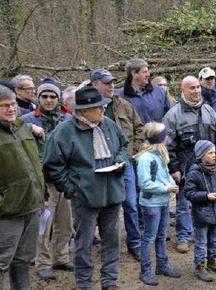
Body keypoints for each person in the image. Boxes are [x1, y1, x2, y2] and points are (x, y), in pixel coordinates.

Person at [43, 86, 129, 290]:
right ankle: (84, 284)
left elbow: (125, 146)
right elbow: (52, 165)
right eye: (98, 108)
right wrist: (72, 188)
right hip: (85, 197)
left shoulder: (109, 125)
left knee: (112, 242)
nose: (102, 110)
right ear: (82, 110)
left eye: (102, 107)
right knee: (83, 245)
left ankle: (109, 282)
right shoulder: (63, 133)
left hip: (112, 193)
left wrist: (120, 161)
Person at [163, 76, 216, 254]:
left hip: (210, 168)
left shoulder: (209, 111)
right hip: (185, 168)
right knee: (183, 203)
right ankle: (183, 236)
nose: (197, 91)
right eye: (192, 88)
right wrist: (173, 169)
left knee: (208, 199)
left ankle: (207, 235)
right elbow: (168, 146)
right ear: (182, 91)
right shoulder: (173, 115)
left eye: (198, 87)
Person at [21, 78, 74, 281]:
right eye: (45, 96)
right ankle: (42, 263)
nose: (49, 100)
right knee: (43, 225)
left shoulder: (67, 118)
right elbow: (10, 128)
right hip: (42, 180)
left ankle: (61, 257)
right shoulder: (27, 119)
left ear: (58, 98)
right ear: (38, 97)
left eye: (53, 96)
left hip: (64, 177)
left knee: (65, 223)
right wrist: (29, 129)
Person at [90, 67, 146, 261]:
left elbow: (139, 128)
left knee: (130, 204)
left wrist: (134, 151)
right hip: (99, 167)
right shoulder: (87, 108)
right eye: (107, 83)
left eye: (113, 82)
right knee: (102, 207)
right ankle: (104, 245)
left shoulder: (124, 105)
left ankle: (134, 243)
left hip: (125, 164)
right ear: (94, 85)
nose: (112, 86)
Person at [0, 84, 46, 290]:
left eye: (12, 105)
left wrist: (42, 196)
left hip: (31, 207)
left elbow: (34, 166)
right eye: (4, 106)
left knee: (23, 261)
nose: (11, 109)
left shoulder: (20, 128)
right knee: (2, 263)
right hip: (7, 214)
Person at [133, 122, 181, 286]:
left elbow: (165, 174)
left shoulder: (160, 154)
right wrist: (165, 187)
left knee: (162, 235)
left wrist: (171, 183)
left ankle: (162, 265)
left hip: (163, 201)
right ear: (159, 138)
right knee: (149, 237)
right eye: (164, 135)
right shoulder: (145, 158)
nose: (167, 137)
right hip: (151, 204)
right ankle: (145, 270)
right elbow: (144, 184)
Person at [184, 140, 216, 282]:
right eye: (210, 153)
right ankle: (200, 266)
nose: (214, 155)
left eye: (214, 152)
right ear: (201, 155)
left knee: (214, 239)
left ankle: (213, 261)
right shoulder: (194, 173)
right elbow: (189, 193)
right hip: (201, 214)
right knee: (201, 242)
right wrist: (206, 196)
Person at [116, 58, 171, 124]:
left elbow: (169, 116)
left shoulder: (159, 91)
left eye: (147, 71)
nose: (148, 74)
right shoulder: (119, 96)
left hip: (157, 133)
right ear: (134, 74)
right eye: (144, 72)